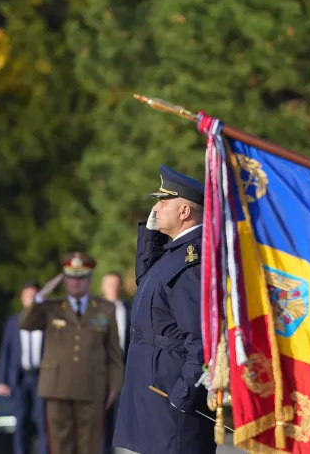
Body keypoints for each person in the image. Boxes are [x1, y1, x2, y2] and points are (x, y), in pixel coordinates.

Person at [113, 165, 214, 454]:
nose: (156, 207)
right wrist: (151, 238)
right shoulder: (173, 254)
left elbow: (203, 341)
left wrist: (184, 393)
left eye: (163, 201)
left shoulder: (191, 262)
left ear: (184, 212)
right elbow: (147, 287)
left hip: (171, 403)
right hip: (153, 399)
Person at [20, 253, 124, 454]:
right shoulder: (51, 307)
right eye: (71, 277)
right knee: (60, 446)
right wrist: (42, 295)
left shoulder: (104, 309)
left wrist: (114, 386)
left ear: (89, 279)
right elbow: (25, 323)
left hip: (92, 387)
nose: (76, 283)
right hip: (57, 388)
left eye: (81, 278)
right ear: (64, 279)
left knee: (89, 446)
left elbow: (114, 353)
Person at [0, 282, 48, 454]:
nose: (31, 300)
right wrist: (2, 380)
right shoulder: (13, 321)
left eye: (35, 297)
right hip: (21, 378)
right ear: (22, 298)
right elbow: (6, 350)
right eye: (28, 297)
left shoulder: (47, 321)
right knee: (21, 422)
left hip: (42, 378)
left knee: (43, 423)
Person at [99, 272, 130, 454]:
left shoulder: (129, 309)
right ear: (103, 287)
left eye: (116, 284)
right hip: (100, 373)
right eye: (110, 284)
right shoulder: (93, 309)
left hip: (124, 371)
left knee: (122, 421)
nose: (113, 288)